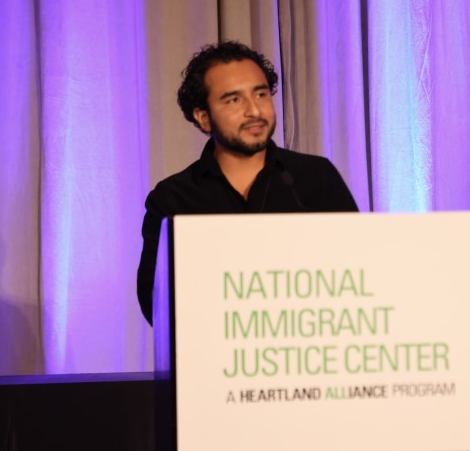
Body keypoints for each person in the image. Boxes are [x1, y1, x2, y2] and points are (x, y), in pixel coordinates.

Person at [137, 41, 358, 325]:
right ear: (203, 117)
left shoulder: (314, 177)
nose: (254, 110)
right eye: (234, 100)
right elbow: (155, 304)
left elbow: (355, 273)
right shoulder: (173, 198)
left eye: (261, 94)